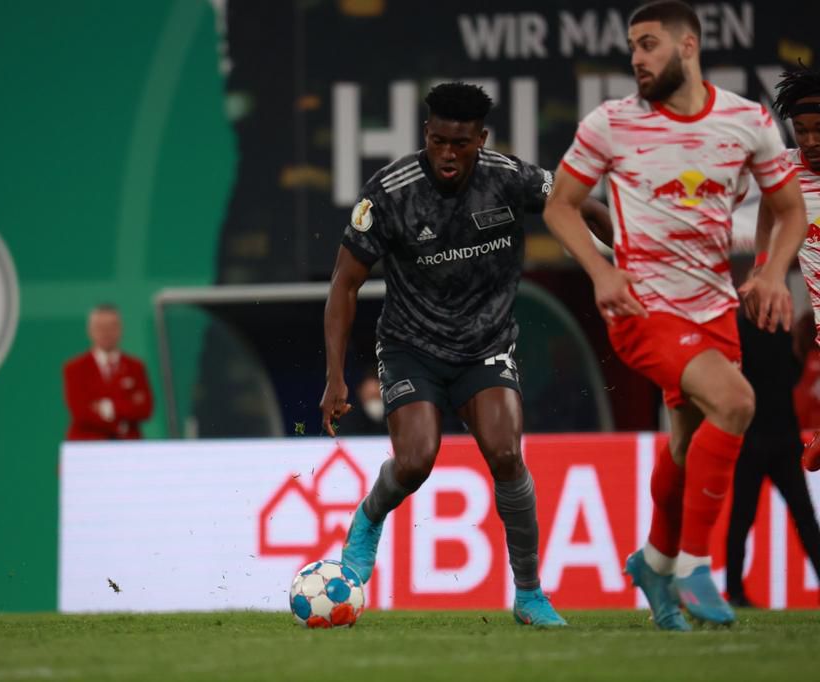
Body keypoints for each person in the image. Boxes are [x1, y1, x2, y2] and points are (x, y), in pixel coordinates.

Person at [543, 0, 808, 628]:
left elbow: (790, 207)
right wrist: (603, 271)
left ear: (688, 47)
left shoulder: (746, 122)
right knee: (738, 404)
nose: (637, 58)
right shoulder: (610, 124)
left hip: (714, 308)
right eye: (633, 46)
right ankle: (693, 567)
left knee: (688, 446)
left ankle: (653, 564)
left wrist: (771, 272)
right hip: (641, 306)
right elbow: (560, 206)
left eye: (649, 44)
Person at [320, 81, 613, 627]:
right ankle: (369, 518)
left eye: (460, 143)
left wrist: (622, 257)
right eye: (437, 142)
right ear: (424, 135)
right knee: (416, 460)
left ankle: (529, 595)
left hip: (486, 347)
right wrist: (335, 377)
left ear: (481, 139)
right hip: (411, 347)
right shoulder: (389, 193)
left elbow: (583, 205)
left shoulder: (510, 178)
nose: (447, 155)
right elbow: (344, 283)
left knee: (505, 453)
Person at [725, 308, 820, 607]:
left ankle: (735, 592)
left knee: (742, 518)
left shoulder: (738, 327)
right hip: (780, 436)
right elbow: (793, 374)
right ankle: (735, 591)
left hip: (755, 437)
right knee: (804, 518)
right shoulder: (782, 328)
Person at [764, 64, 820, 472]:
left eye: (819, 129)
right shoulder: (783, 170)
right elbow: (769, 208)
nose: (811, 141)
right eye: (801, 129)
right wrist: (768, 271)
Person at [63, 304, 153, 440]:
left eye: (111, 327)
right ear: (90, 330)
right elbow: (80, 412)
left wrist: (109, 407)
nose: (106, 333)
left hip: (128, 446)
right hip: (88, 446)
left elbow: (145, 409)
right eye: (101, 328)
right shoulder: (74, 368)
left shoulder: (135, 366)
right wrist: (122, 416)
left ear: (120, 329)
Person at [335, 370, 388, 436]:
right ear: (361, 394)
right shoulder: (349, 419)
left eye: (377, 396)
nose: (374, 401)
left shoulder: (394, 417)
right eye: (371, 397)